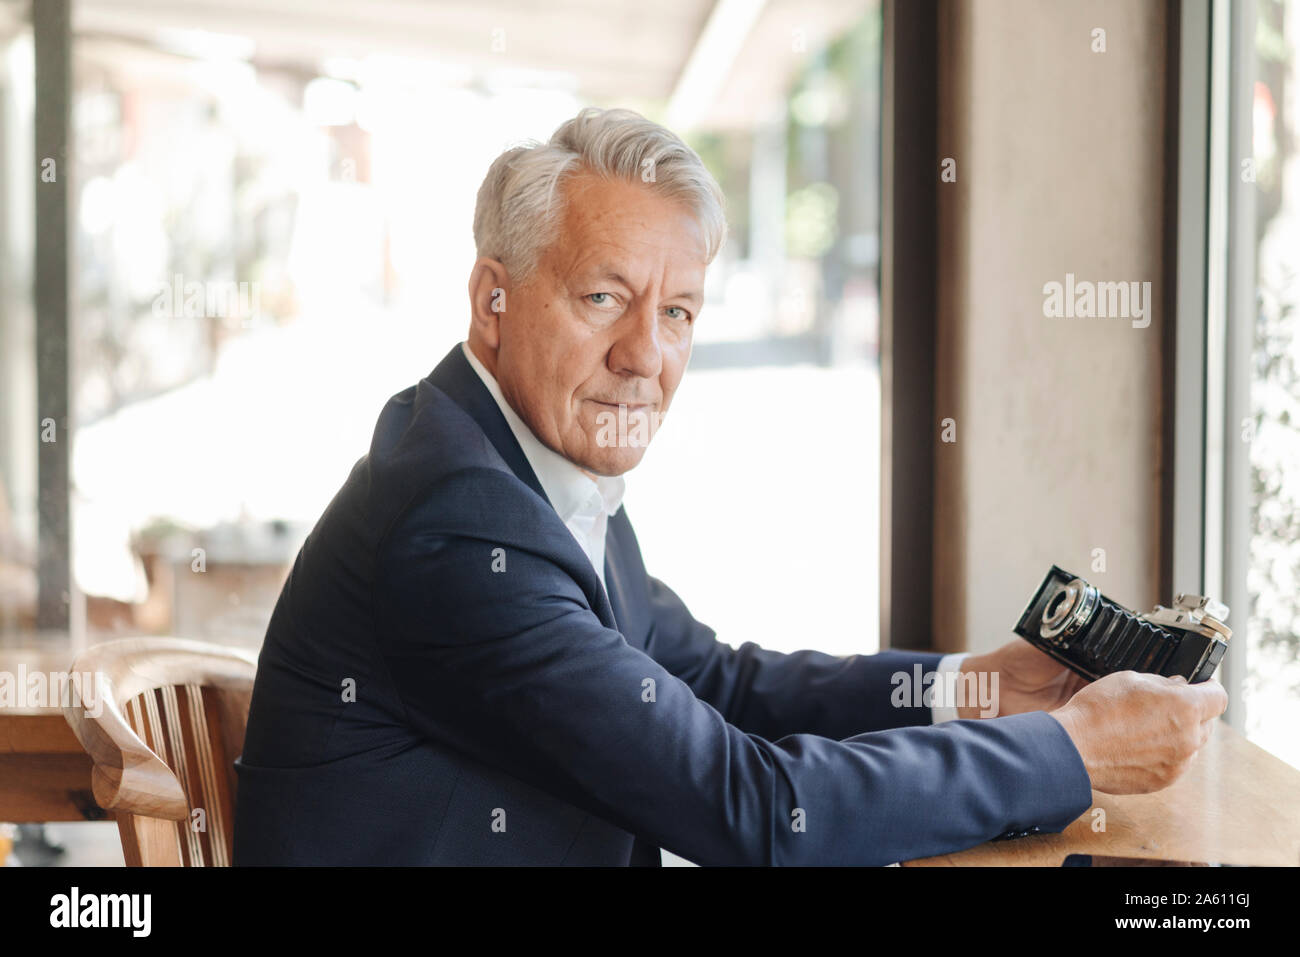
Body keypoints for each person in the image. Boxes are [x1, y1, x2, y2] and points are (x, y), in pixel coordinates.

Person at [232, 107, 1227, 865]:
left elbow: (712, 684)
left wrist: (968, 688)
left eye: (677, 314)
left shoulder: (520, 463)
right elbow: (749, 807)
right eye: (603, 298)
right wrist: (1068, 753)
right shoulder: (458, 522)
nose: (644, 356)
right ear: (492, 301)